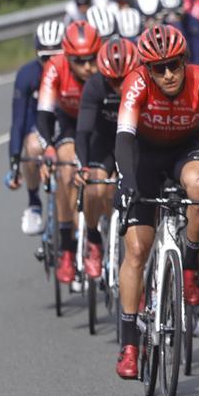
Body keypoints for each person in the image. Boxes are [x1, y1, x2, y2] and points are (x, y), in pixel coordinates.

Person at [114, 25, 199, 378]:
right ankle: (129, 342)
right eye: (159, 68)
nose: (169, 74)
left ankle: (188, 269)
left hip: (184, 150)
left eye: (174, 64)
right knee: (137, 249)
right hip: (144, 157)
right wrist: (127, 184)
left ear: (185, 60)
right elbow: (125, 139)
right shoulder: (136, 83)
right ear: (147, 68)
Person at [36, 20, 102, 284]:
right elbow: (43, 115)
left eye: (92, 58)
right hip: (69, 124)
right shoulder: (55, 67)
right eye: (79, 60)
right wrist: (48, 148)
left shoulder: (105, 68)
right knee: (65, 171)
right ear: (67, 56)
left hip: (100, 126)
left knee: (103, 182)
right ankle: (66, 246)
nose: (88, 66)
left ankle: (99, 236)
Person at [72, 37, 139, 280]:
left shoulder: (144, 83)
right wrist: (83, 166)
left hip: (133, 142)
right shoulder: (95, 86)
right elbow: (83, 132)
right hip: (103, 142)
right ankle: (93, 240)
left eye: (125, 79)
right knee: (93, 188)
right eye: (114, 80)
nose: (120, 86)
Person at [6, 21, 64, 235]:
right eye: (45, 58)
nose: (50, 62)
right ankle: (34, 203)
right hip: (38, 129)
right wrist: (13, 162)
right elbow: (18, 121)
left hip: (65, 128)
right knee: (31, 146)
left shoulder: (73, 71)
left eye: (56, 56)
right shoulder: (27, 75)